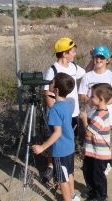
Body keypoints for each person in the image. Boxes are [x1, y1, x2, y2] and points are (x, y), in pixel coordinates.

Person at [42, 37, 86, 181]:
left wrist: (93, 59)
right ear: (64, 53)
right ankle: (51, 166)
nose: (74, 54)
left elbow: (85, 73)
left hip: (71, 112)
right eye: (72, 51)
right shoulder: (52, 71)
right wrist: (55, 111)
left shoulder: (73, 67)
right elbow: (47, 93)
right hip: (59, 114)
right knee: (55, 140)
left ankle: (66, 166)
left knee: (68, 139)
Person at [32, 73, 80, 201]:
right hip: (69, 147)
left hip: (60, 150)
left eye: (51, 83)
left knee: (62, 179)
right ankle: (72, 195)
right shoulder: (66, 106)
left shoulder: (54, 109)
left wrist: (42, 147)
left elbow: (57, 132)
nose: (49, 84)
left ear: (56, 90)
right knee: (69, 173)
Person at [78, 46, 112, 175]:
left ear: (107, 60)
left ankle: (106, 163)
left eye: (102, 57)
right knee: (92, 140)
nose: (99, 59)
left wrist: (103, 103)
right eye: (96, 57)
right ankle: (92, 162)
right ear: (93, 58)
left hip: (107, 118)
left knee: (108, 141)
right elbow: (82, 94)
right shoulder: (87, 76)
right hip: (91, 116)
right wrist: (89, 102)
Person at [79, 83, 112, 201]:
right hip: (92, 151)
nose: (90, 98)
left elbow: (89, 132)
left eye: (92, 96)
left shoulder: (100, 115)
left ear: (101, 99)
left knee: (98, 176)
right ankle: (93, 192)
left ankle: (101, 196)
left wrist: (84, 119)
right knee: (88, 171)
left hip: (99, 153)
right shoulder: (99, 112)